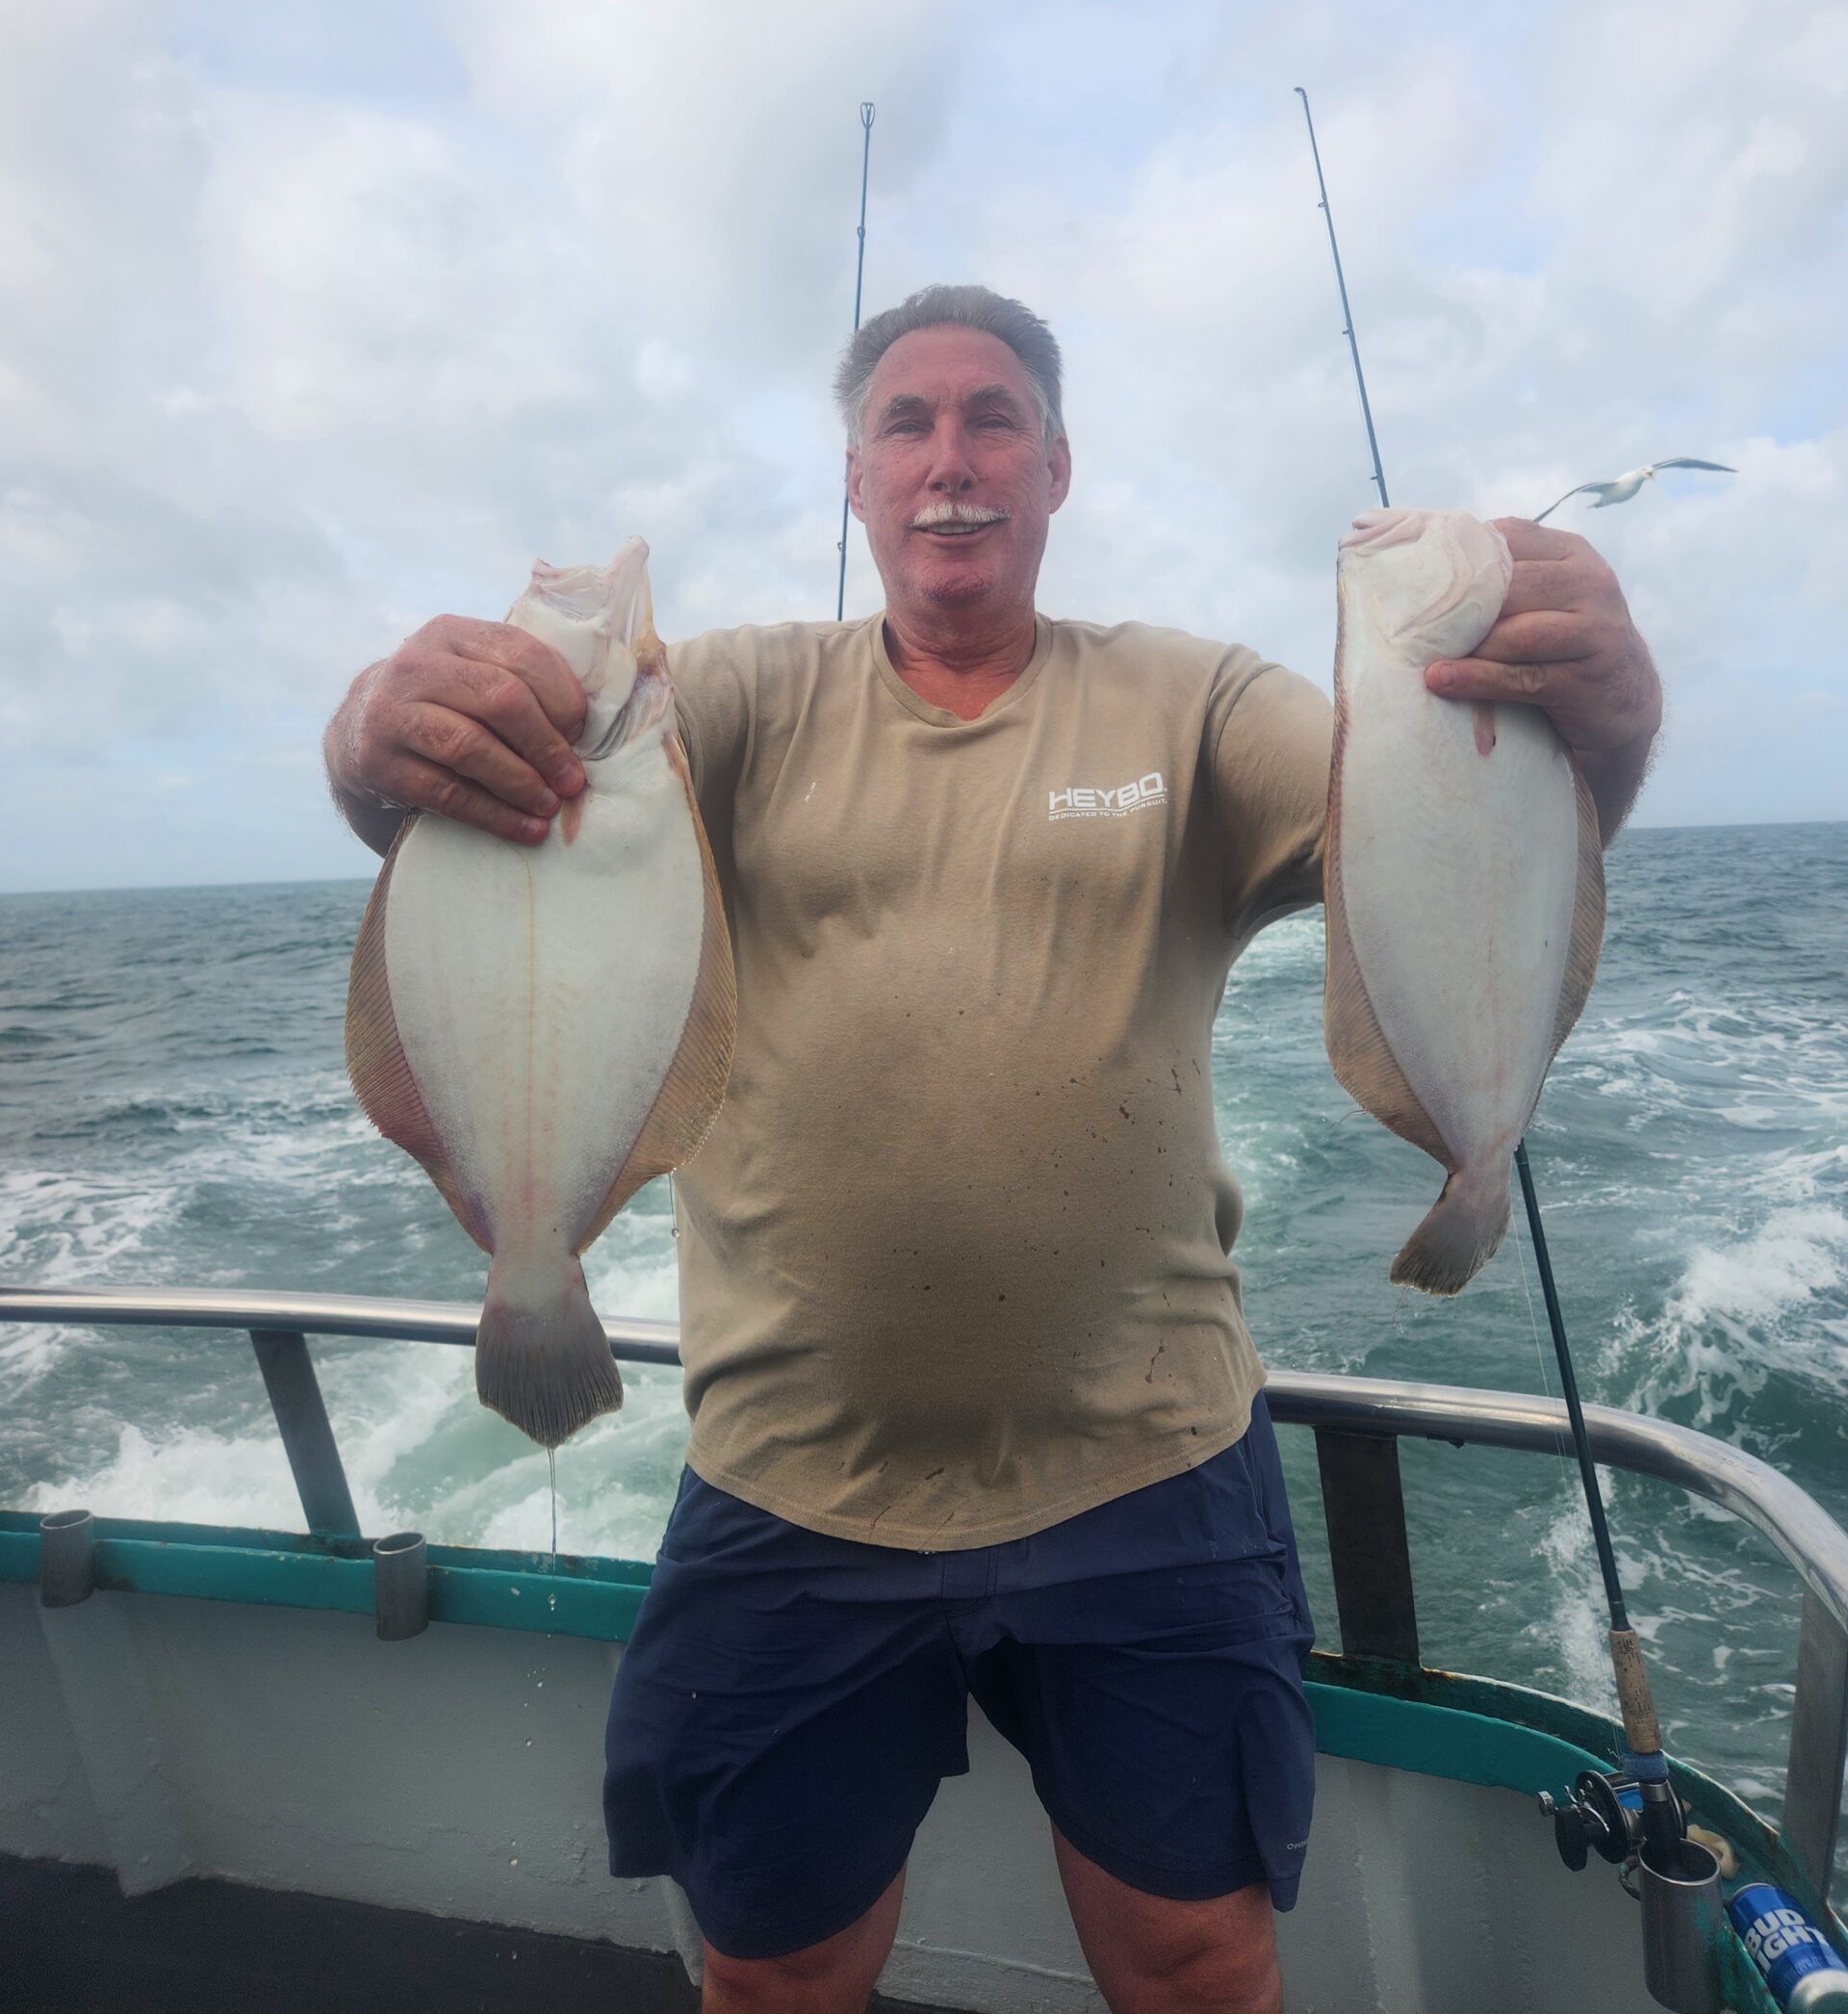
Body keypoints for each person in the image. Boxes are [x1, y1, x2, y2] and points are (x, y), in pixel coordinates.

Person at [323, 286, 1662, 2014]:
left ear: (1056, 467)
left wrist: (1596, 724)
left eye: (993, 418)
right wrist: (379, 731)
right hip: (792, 1473)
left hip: (1152, 1471)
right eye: (906, 423)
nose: (950, 457)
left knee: (1195, 1960)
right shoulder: (709, 706)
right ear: (858, 483)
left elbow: (1442, 839)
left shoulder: (1193, 704)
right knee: (774, 1970)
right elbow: (477, 817)